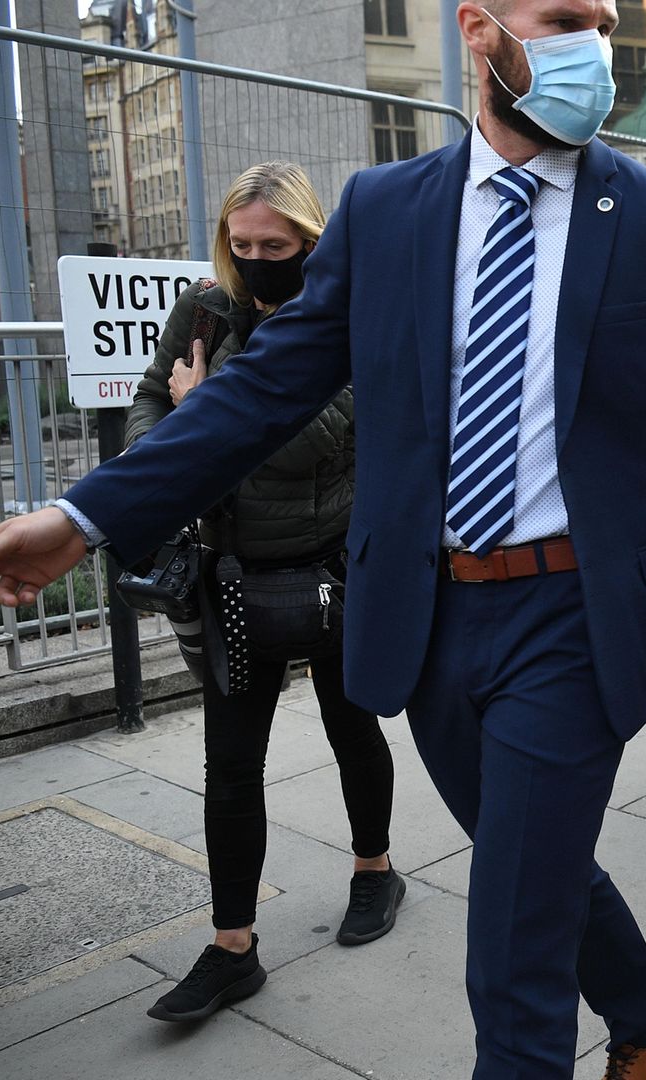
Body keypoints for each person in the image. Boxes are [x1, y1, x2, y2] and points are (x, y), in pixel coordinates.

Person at [0, 4, 646, 1078]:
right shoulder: (387, 209)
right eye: (565, 19)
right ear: (481, 29)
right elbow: (260, 391)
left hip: (579, 613)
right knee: (537, 866)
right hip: (429, 616)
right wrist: (86, 512)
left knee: (510, 947)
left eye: (605, 23)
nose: (595, 47)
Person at [127, 161, 400, 1024]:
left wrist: (202, 408)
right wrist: (177, 424)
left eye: (274, 246)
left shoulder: (346, 317)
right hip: (229, 571)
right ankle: (233, 945)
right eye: (241, 245)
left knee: (350, 724)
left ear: (311, 243)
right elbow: (146, 402)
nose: (255, 259)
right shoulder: (206, 309)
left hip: (326, 564)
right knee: (230, 767)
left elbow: (308, 438)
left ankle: (375, 870)